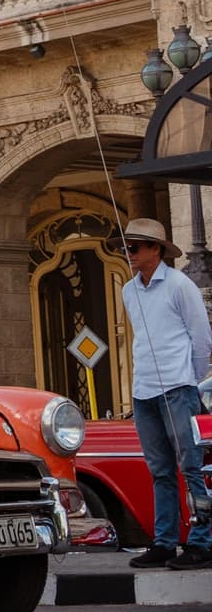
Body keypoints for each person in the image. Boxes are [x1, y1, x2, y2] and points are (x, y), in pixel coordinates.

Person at [117, 218, 212, 569]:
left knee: (192, 467)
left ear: (155, 250)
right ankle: (164, 541)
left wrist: (190, 378)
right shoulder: (129, 290)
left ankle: (202, 541)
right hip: (144, 390)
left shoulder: (179, 285)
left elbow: (201, 337)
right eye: (126, 247)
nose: (128, 253)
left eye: (135, 247)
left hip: (177, 386)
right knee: (159, 470)